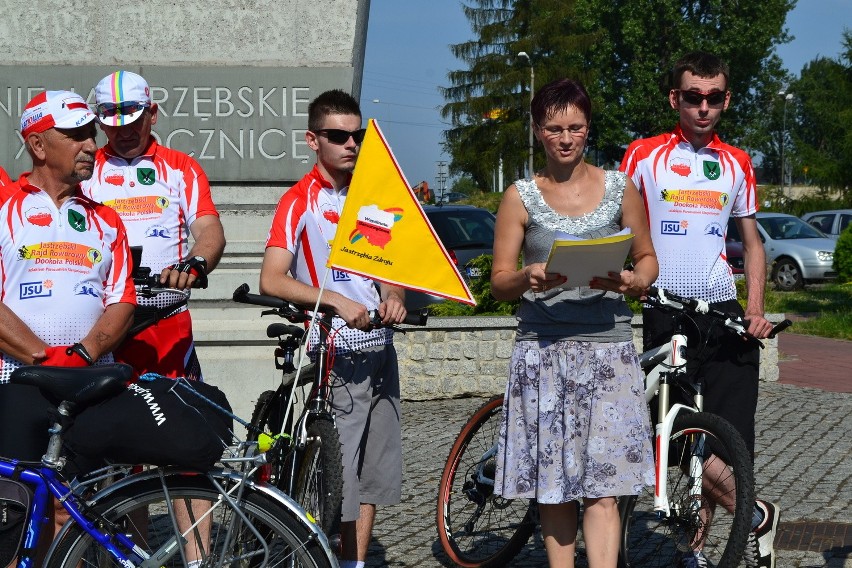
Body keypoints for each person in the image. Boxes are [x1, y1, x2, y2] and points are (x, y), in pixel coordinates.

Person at [619, 51, 778, 568]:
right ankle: (754, 515)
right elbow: (618, 230)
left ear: (726, 100)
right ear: (675, 98)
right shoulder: (643, 155)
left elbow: (752, 245)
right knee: (672, 437)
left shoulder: (737, 162)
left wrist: (755, 308)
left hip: (723, 309)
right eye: (693, 97)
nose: (703, 108)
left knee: (725, 446)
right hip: (665, 309)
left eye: (714, 98)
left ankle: (698, 551)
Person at [490, 78, 657, 568]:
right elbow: (499, 282)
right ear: (539, 131)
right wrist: (527, 275)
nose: (565, 138)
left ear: (588, 130)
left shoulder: (620, 188)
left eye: (575, 128)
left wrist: (634, 280)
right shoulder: (519, 197)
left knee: (604, 486)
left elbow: (648, 257)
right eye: (555, 128)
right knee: (554, 485)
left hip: (608, 349)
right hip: (543, 350)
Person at [259, 89, 407, 568]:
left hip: (380, 347)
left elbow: (388, 270)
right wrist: (337, 302)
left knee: (371, 474)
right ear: (312, 140)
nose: (351, 144)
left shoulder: (372, 198)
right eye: (337, 135)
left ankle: (355, 563)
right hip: (333, 352)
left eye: (357, 135)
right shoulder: (297, 201)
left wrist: (395, 297)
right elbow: (272, 278)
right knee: (339, 476)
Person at [0, 89, 136, 559]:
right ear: (38, 145)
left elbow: (121, 301)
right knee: (13, 516)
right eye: (75, 135)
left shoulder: (107, 220)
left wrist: (80, 356)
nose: (90, 145)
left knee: (78, 512)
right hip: (17, 380)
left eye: (90, 134)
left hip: (88, 384)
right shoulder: (3, 205)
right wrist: (40, 356)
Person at [82, 70, 226, 382]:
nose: (125, 133)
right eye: (114, 126)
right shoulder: (85, 172)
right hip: (105, 328)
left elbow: (208, 229)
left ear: (153, 114)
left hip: (167, 324)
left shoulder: (181, 167)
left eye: (134, 122)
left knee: (184, 423)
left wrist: (195, 262)